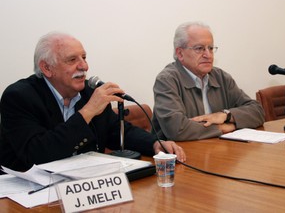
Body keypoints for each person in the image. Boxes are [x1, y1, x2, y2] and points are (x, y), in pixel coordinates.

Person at [0, 32, 185, 172]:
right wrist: (87, 112)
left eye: (84, 58)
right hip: (25, 194)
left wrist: (154, 143)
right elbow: (37, 154)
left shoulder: (88, 92)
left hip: (78, 184)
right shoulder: (19, 97)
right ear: (47, 68)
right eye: (72, 60)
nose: (84, 66)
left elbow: (116, 131)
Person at [152, 21, 265, 141]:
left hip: (218, 151)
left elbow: (257, 111)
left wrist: (225, 116)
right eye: (199, 49)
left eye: (210, 48)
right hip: (181, 154)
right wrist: (222, 128)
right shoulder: (167, 80)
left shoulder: (220, 77)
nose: (208, 55)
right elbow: (177, 129)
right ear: (180, 53)